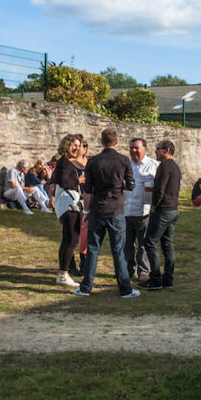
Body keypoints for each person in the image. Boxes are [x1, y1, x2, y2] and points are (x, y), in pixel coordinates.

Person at [74, 128, 139, 299]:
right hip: (116, 210)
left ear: (102, 142)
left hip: (97, 210)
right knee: (118, 250)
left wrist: (86, 211)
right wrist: (119, 185)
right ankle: (125, 290)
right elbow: (131, 185)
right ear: (116, 141)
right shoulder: (124, 160)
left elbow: (88, 190)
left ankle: (86, 287)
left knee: (93, 250)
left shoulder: (93, 161)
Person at [139, 140, 181, 291]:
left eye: (158, 149)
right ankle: (168, 279)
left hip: (163, 210)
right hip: (173, 210)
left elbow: (160, 189)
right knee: (167, 245)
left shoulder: (164, 166)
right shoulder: (175, 166)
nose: (155, 151)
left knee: (150, 241)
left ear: (166, 150)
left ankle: (156, 279)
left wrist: (154, 206)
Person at [124, 137, 158, 283]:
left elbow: (159, 187)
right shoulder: (125, 164)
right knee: (127, 243)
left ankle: (143, 271)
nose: (133, 151)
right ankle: (128, 269)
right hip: (126, 209)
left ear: (144, 149)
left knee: (143, 244)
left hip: (144, 212)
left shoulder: (153, 165)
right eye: (131, 148)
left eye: (136, 148)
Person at [53, 134, 85, 287]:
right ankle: (64, 273)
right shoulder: (64, 162)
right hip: (68, 204)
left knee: (68, 239)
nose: (77, 148)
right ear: (66, 145)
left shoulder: (66, 162)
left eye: (79, 146)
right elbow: (64, 182)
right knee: (71, 239)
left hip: (68, 203)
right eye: (74, 145)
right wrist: (79, 180)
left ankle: (63, 272)